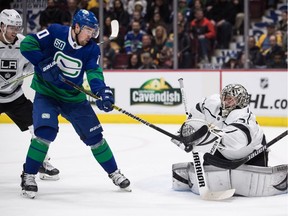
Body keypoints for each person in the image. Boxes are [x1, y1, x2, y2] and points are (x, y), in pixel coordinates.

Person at [19, 9, 130, 199]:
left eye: (94, 31)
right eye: (88, 30)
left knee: (95, 137)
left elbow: (94, 72)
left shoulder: (92, 49)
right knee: (45, 132)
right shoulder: (55, 32)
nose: (91, 35)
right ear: (76, 27)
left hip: (74, 98)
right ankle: (28, 175)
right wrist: (43, 63)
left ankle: (115, 173)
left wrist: (101, 92)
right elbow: (28, 44)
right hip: (47, 94)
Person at [170, 84, 287, 197]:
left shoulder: (245, 118)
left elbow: (234, 142)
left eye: (231, 99)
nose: (225, 102)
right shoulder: (210, 104)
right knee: (209, 173)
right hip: (221, 153)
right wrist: (186, 134)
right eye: (224, 98)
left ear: (241, 102)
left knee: (254, 186)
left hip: (252, 156)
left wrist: (203, 140)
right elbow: (195, 117)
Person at [0, 9, 60, 181]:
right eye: (11, 27)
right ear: (2, 25)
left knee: (39, 129)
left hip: (15, 97)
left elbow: (36, 63)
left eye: (18, 27)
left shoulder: (24, 43)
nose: (15, 31)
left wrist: (41, 67)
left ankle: (40, 162)